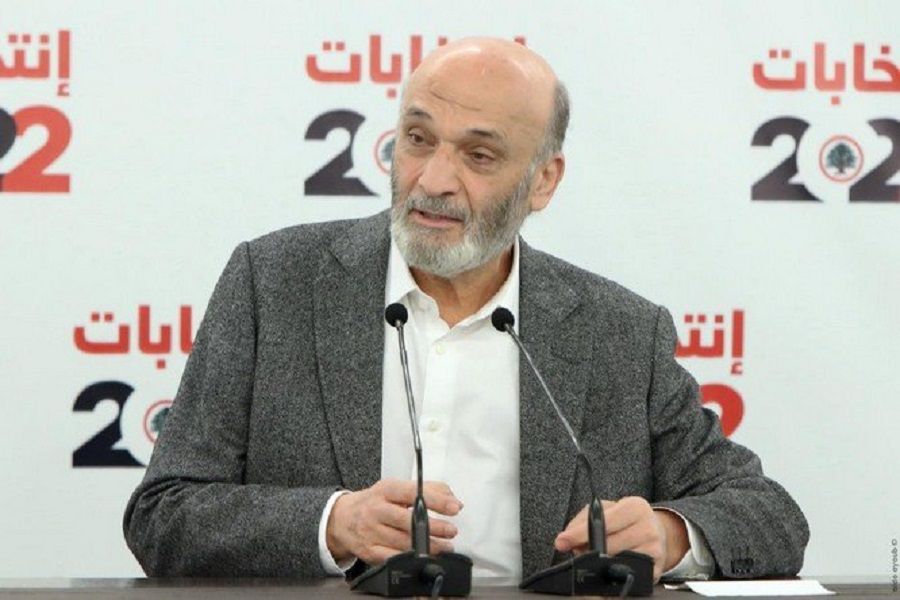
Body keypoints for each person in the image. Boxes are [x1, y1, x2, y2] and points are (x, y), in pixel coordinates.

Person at [123, 37, 808, 583]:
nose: (433, 180)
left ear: (543, 180)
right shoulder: (273, 283)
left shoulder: (618, 332)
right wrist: (333, 523)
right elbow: (162, 514)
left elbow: (769, 516)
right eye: (418, 139)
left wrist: (667, 534)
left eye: (479, 155)